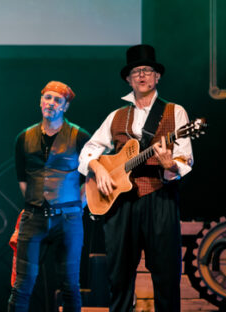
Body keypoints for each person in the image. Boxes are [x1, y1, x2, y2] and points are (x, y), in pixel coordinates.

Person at [79, 44, 193, 312]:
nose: (142, 75)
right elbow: (87, 152)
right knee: (118, 279)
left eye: (147, 70)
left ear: (157, 77)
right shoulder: (116, 116)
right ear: (128, 79)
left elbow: (185, 159)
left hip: (159, 197)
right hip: (120, 205)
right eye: (136, 71)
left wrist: (170, 167)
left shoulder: (175, 112)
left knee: (166, 278)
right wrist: (99, 167)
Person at [7, 81, 89, 312]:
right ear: (40, 101)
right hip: (34, 218)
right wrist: (35, 203)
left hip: (68, 219)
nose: (51, 103)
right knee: (22, 285)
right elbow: (22, 180)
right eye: (47, 98)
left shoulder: (80, 136)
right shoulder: (24, 138)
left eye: (57, 100)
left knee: (70, 285)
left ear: (65, 107)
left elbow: (90, 179)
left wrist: (76, 206)